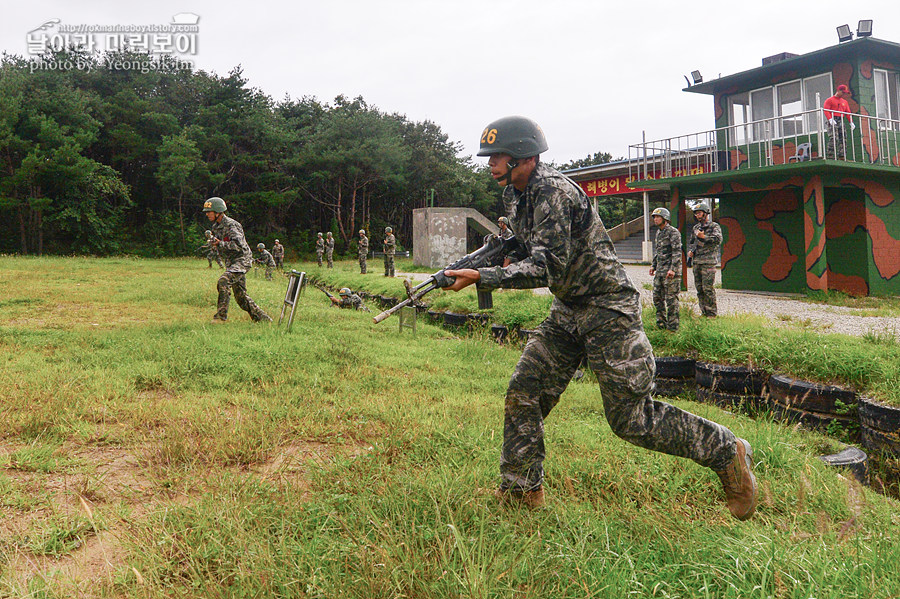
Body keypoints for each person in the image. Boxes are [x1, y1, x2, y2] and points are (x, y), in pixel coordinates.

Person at [443, 116, 756, 520]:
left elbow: (545, 268)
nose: (490, 163)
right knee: (525, 391)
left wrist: (481, 277)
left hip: (608, 308)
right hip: (568, 307)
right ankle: (521, 494)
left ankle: (726, 451)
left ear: (526, 156)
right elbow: (523, 246)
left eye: (498, 156)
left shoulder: (555, 193)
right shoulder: (514, 197)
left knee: (631, 419)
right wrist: (479, 260)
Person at [202, 197, 271, 323]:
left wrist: (220, 244)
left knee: (223, 281)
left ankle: (220, 317)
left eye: (209, 211)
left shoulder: (232, 225)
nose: (207, 214)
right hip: (232, 263)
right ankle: (264, 320)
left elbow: (239, 246)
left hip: (242, 260)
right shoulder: (216, 227)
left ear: (218, 211)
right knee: (241, 298)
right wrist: (214, 245)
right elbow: (221, 244)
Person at [648, 207, 682, 331]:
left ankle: (673, 328)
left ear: (665, 218)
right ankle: (661, 324)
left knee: (671, 300)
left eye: (658, 217)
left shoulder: (673, 232)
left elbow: (677, 252)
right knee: (657, 298)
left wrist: (673, 269)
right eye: (654, 217)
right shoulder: (659, 233)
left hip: (670, 272)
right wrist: (653, 265)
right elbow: (658, 251)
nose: (655, 219)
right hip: (660, 271)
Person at [687, 201, 721, 318]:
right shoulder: (696, 227)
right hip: (697, 261)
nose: (697, 215)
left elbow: (718, 239)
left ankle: (711, 313)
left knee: (708, 289)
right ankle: (703, 311)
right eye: (696, 213)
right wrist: (691, 251)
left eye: (699, 213)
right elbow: (693, 242)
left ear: (706, 213)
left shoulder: (714, 226)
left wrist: (704, 237)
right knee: (699, 288)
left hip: (708, 262)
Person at [824, 84, 855, 160]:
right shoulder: (830, 100)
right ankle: (831, 155)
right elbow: (826, 110)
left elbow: (848, 112)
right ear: (838, 91)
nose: (843, 94)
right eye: (843, 92)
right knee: (834, 137)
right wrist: (830, 119)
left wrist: (851, 122)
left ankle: (842, 155)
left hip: (841, 119)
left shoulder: (844, 102)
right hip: (833, 119)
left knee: (843, 137)